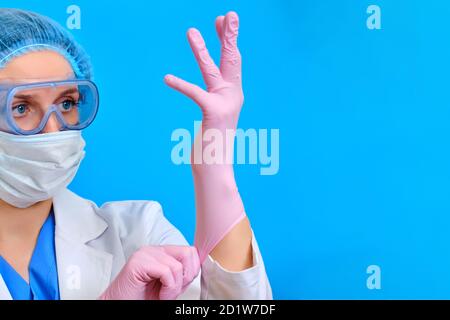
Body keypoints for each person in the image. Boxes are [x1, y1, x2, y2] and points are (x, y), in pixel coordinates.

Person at [0, 8, 272, 300]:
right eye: (21, 108)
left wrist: (215, 172)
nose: (53, 129)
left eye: (67, 103)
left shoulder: (137, 232)